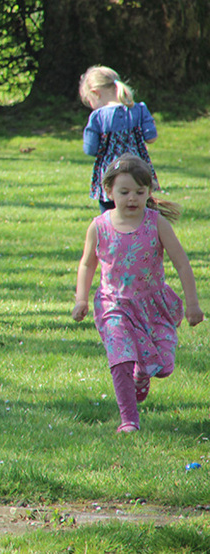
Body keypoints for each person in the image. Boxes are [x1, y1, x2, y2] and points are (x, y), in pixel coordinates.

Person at [73, 155, 202, 433]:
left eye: (139, 192)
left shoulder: (156, 224)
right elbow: (87, 263)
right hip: (113, 304)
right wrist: (81, 299)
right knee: (120, 355)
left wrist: (192, 304)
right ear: (108, 191)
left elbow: (181, 262)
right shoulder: (99, 226)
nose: (132, 198)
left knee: (163, 365)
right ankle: (129, 420)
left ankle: (142, 375)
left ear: (149, 192)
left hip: (152, 305)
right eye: (124, 192)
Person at [79, 65, 158, 213]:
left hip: (111, 177)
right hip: (139, 173)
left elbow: (90, 149)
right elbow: (151, 137)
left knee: (109, 219)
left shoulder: (98, 116)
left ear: (96, 93)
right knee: (141, 217)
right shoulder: (140, 109)